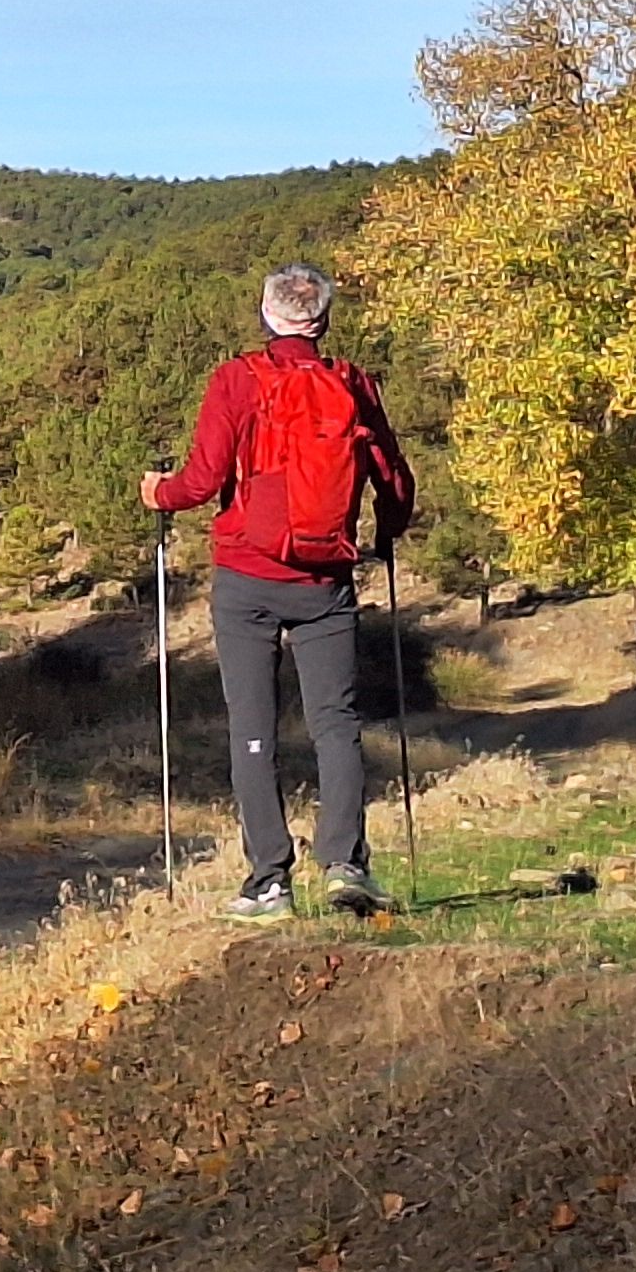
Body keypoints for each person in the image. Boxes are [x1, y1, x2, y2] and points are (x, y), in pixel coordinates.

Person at [139, 263, 418, 920]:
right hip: (325, 581)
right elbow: (396, 481)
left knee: (252, 729)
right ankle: (346, 865)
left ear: (268, 315)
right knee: (336, 724)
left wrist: (158, 493)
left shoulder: (237, 379)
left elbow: (202, 481)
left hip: (247, 577)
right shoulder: (353, 383)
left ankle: (269, 881)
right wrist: (385, 534)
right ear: (322, 320)